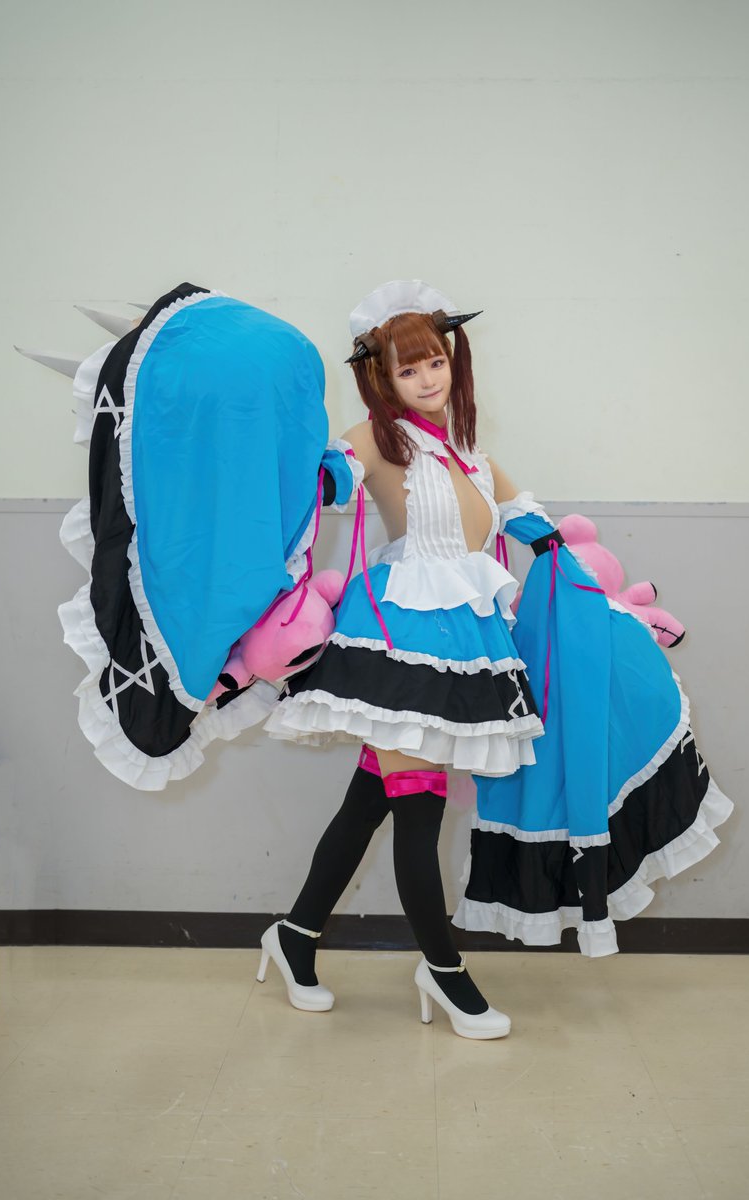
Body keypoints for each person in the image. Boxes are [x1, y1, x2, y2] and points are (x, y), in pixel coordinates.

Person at [261, 280, 545, 1039]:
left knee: (369, 804)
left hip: (464, 638)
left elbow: (527, 519)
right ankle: (444, 972)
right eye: (408, 369)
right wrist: (294, 454)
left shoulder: (470, 450)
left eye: (435, 362)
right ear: (382, 378)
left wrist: (572, 574)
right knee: (418, 811)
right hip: (399, 637)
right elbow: (327, 480)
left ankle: (295, 935)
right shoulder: (374, 438)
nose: (427, 379)